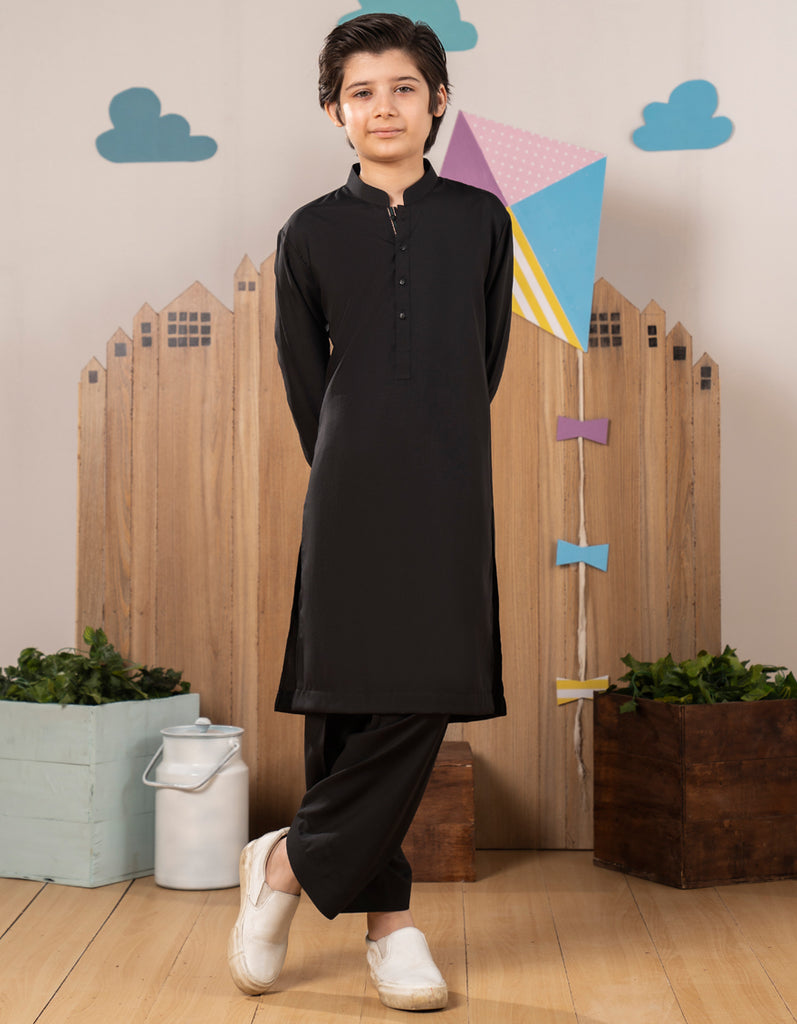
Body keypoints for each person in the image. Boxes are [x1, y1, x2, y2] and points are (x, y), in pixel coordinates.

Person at [228, 12, 514, 1012]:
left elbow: (482, 358)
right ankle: (389, 929)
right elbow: (305, 377)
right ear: (333, 111)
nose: (383, 107)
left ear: (437, 101)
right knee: (344, 696)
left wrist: (431, 441)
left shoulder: (481, 220)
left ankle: (284, 860)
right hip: (348, 485)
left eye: (402, 87)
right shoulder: (308, 231)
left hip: (449, 480)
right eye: (361, 92)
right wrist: (357, 456)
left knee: (428, 683)